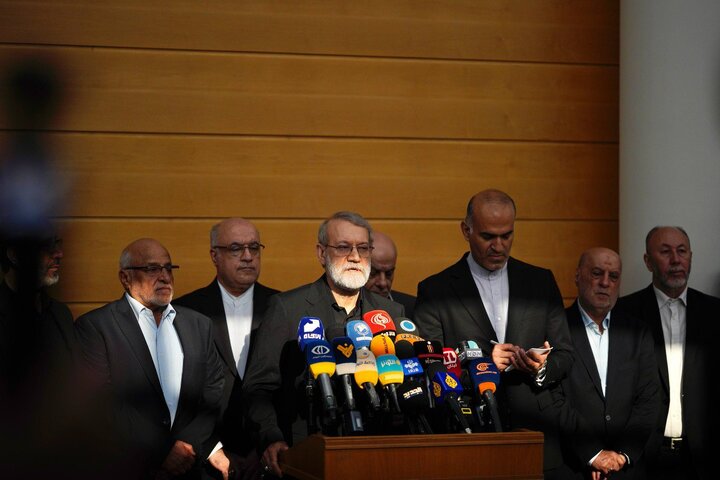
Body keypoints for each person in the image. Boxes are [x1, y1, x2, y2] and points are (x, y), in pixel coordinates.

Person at [413, 189, 573, 478]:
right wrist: (485, 364)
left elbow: (565, 354)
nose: (498, 246)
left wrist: (541, 367)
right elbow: (430, 368)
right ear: (466, 231)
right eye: (488, 236)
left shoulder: (541, 281)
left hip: (536, 432)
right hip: (468, 431)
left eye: (506, 235)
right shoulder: (435, 290)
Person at [242, 211, 404, 478]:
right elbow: (258, 388)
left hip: (378, 454)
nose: (355, 256)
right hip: (307, 454)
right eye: (343, 247)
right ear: (321, 254)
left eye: (363, 248)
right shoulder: (287, 308)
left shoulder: (391, 313)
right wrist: (271, 437)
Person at [75, 238, 224, 479]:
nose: (164, 277)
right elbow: (101, 402)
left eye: (168, 268)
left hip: (189, 467)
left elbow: (214, 389)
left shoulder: (199, 324)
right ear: (125, 278)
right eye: (152, 269)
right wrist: (162, 451)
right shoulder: (96, 327)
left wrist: (188, 445)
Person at [175, 218, 279, 480]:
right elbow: (176, 390)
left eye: (254, 247)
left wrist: (267, 444)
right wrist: (211, 448)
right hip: (205, 459)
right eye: (235, 248)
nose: (247, 256)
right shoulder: (183, 311)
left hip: (271, 456)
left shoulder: (283, 307)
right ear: (214, 256)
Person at [615, 226, 719, 480]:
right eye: (665, 252)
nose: (675, 260)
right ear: (648, 261)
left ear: (690, 257)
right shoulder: (623, 312)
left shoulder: (715, 312)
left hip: (704, 458)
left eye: (682, 251)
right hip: (642, 457)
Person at [559, 248, 659, 479]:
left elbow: (648, 398)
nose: (605, 283)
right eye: (597, 273)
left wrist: (622, 455)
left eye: (613, 276)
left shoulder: (637, 332)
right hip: (573, 467)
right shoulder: (556, 327)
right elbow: (554, 400)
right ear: (577, 276)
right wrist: (593, 454)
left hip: (625, 469)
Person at [364, 230, 416, 318]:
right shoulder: (342, 311)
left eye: (389, 273)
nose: (383, 283)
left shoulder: (412, 309)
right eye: (373, 273)